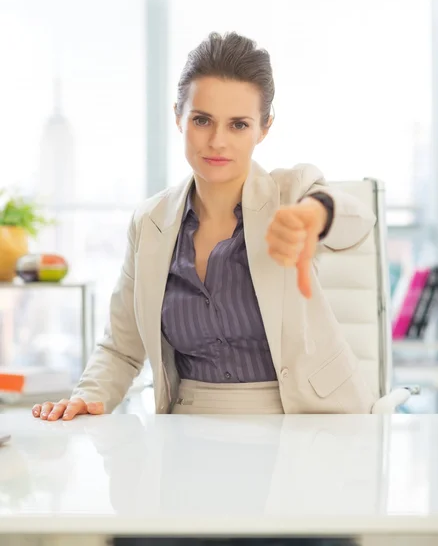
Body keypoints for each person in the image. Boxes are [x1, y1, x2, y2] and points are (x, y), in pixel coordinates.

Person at [32, 31, 376, 422]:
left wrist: (318, 214)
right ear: (178, 116)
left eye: (239, 125)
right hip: (190, 427)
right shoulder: (150, 223)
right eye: (202, 120)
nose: (217, 141)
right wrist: (87, 397)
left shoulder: (291, 192)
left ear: (264, 128)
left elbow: (358, 220)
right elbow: (121, 348)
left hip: (305, 424)